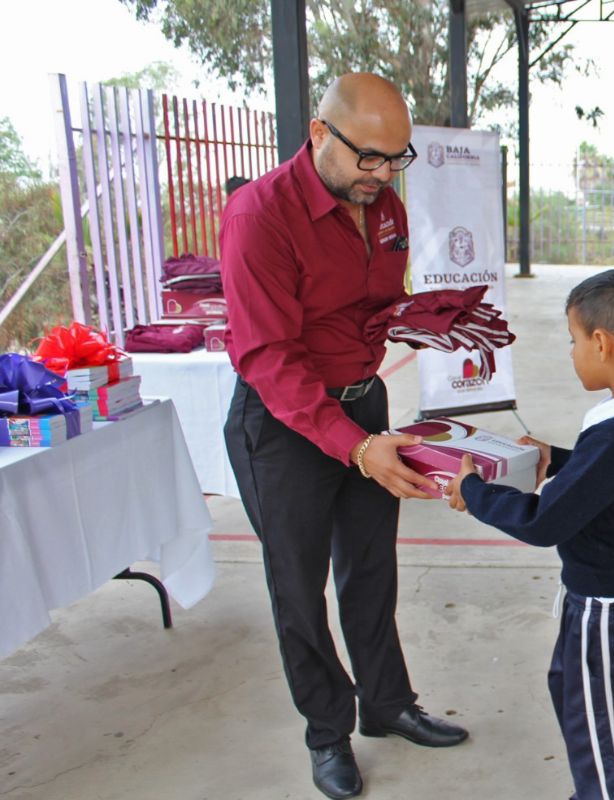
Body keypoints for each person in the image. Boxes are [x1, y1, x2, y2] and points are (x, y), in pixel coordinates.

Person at [220, 73, 468, 800]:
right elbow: (268, 355)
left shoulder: (382, 206)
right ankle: (326, 732)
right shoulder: (259, 213)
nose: (385, 175)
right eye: (370, 158)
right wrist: (355, 446)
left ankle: (386, 705)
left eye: (397, 159)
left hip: (363, 406)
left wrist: (429, 318)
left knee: (370, 569)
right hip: (285, 421)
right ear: (321, 134)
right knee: (298, 587)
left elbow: (372, 305)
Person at [444, 269, 614, 800]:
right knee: (586, 700)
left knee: (594, 728)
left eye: (573, 340)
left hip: (604, 604)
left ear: (601, 344)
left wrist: (476, 491)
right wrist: (556, 459)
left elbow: (544, 521)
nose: (572, 350)